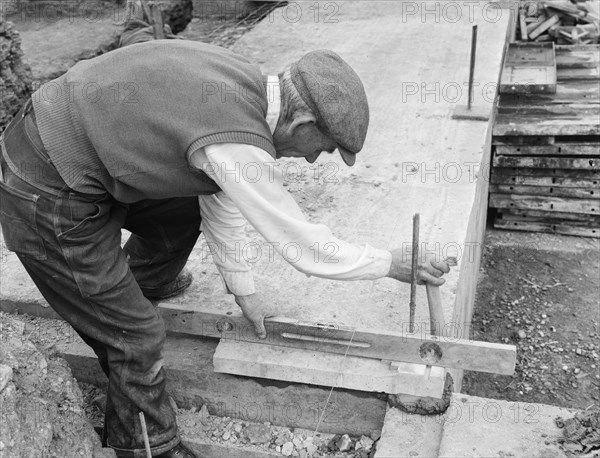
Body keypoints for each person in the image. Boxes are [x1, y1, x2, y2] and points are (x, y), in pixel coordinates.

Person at [0, 36, 450, 458]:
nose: (314, 159)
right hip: (45, 189)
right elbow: (303, 246)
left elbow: (220, 195)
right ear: (304, 121)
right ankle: (145, 445)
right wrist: (389, 262)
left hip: (68, 147)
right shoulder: (237, 138)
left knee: (181, 209)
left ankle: (135, 286)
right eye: (324, 148)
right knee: (136, 336)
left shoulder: (245, 86)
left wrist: (242, 288)